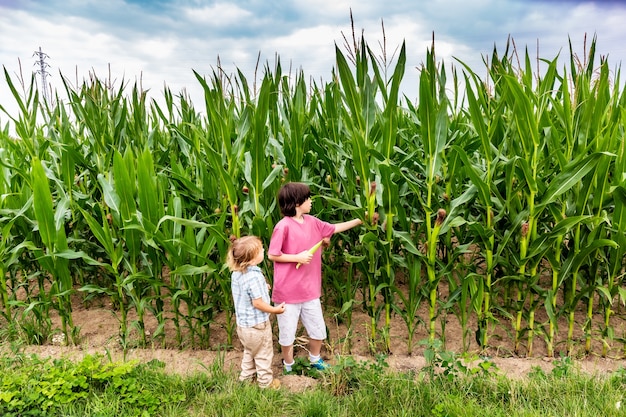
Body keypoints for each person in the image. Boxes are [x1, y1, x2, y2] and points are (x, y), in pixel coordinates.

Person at [268, 182, 364, 372]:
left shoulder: (312, 222)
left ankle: (315, 359)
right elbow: (273, 254)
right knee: (287, 332)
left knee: (318, 329)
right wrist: (297, 257)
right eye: (308, 198)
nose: (311, 201)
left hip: (310, 289)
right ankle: (289, 364)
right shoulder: (283, 227)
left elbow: (334, 228)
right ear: (297, 203)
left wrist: (361, 219)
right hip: (288, 292)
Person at [227, 235, 286, 389]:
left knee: (249, 351)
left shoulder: (237, 273)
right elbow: (257, 303)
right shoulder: (254, 277)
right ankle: (266, 383)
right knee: (263, 354)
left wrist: (263, 288)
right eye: (260, 250)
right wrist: (275, 310)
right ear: (252, 259)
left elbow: (245, 292)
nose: (264, 250)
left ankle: (245, 378)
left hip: (243, 327)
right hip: (257, 326)